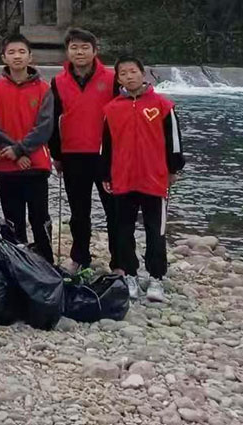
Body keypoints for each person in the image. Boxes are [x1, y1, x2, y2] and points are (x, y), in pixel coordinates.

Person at [101, 56, 185, 303]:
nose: (129, 76)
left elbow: (174, 141)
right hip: (123, 178)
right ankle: (130, 275)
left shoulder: (163, 105)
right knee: (123, 229)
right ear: (118, 79)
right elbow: (106, 145)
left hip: (154, 178)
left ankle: (156, 277)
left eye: (133, 71)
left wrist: (173, 168)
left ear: (142, 73)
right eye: (123, 73)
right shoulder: (111, 109)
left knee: (155, 230)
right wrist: (105, 173)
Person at [49, 28, 118, 273]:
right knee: (79, 212)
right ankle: (79, 257)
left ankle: (120, 261)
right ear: (67, 51)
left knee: (114, 210)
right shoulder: (58, 82)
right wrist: (56, 155)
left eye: (85, 47)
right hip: (72, 154)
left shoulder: (112, 79)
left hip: (105, 155)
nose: (80, 52)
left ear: (95, 51)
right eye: (74, 48)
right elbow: (53, 120)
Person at [0, 34, 54, 261]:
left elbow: (45, 126)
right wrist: (14, 152)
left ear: (30, 57)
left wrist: (20, 150)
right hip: (6, 164)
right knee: (13, 218)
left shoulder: (44, 89)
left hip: (36, 163)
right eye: (11, 52)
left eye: (22, 52)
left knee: (39, 216)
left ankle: (46, 260)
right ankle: (18, 261)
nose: (17, 56)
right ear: (4, 57)